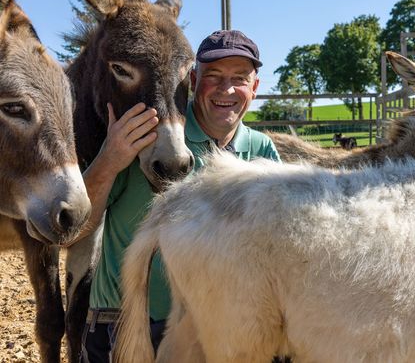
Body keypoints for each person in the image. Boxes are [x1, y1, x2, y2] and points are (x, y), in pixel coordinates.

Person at [78, 30, 281, 363]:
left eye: (239, 79)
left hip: (217, 326)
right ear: (193, 80)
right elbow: (80, 229)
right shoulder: (147, 136)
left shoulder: (262, 151)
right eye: (213, 76)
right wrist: (109, 159)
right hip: (125, 323)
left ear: (255, 88)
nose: (226, 89)